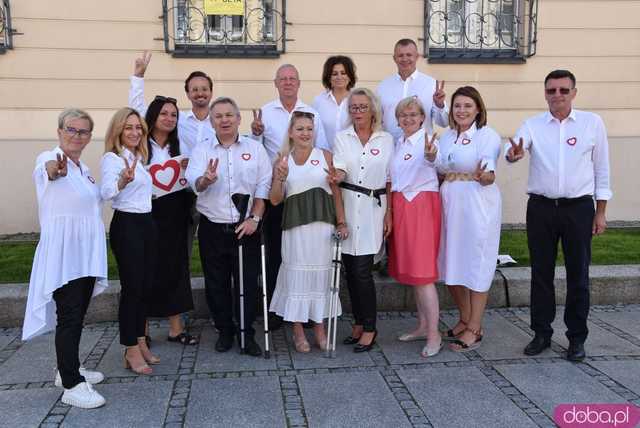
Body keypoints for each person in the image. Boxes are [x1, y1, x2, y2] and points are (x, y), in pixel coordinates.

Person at [506, 70, 612, 362]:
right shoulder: (533, 125)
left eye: (563, 90)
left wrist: (600, 212)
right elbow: (515, 147)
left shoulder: (592, 123)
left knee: (579, 275)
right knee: (541, 274)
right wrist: (512, 154)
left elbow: (602, 169)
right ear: (545, 93)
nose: (557, 95)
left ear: (574, 93)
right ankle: (541, 333)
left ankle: (577, 338)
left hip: (578, 209)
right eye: (551, 90)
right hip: (541, 208)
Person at [22, 108, 107, 409]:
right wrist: (54, 170)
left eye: (83, 131)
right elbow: (48, 171)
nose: (76, 136)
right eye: (71, 129)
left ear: (88, 138)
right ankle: (72, 384)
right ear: (59, 131)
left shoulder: (83, 169)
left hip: (84, 254)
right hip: (64, 255)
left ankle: (67, 367)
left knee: (78, 313)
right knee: (69, 317)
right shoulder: (48, 159)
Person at [186, 97, 272, 357]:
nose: (224, 120)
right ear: (212, 121)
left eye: (229, 115)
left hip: (246, 227)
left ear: (238, 119)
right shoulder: (202, 150)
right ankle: (225, 330)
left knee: (247, 282)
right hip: (213, 227)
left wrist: (254, 219)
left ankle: (247, 333)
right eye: (219, 116)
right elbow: (194, 183)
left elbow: (263, 187)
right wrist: (205, 180)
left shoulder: (255, 149)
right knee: (216, 283)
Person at [251, 64, 329, 329]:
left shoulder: (312, 113)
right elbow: (258, 153)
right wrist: (256, 133)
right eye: (282, 79)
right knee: (278, 254)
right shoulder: (265, 112)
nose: (287, 82)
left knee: (309, 254)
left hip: (307, 193)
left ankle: (307, 312)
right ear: (276, 83)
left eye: (292, 78)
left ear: (299, 82)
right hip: (280, 189)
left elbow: (323, 148)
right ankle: (277, 310)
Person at [268, 111, 347, 352]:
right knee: (297, 279)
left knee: (321, 279)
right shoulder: (283, 160)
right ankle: (298, 330)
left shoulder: (325, 156)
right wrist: (279, 180)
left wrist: (342, 222)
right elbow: (274, 200)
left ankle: (320, 328)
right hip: (295, 230)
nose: (305, 133)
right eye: (300, 129)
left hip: (322, 228)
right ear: (291, 132)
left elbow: (336, 192)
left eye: (309, 129)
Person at [436, 87, 502, 352]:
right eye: (457, 106)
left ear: (478, 109)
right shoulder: (446, 137)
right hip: (450, 203)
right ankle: (464, 318)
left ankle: (475, 327)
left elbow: (489, 168)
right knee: (451, 264)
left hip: (477, 203)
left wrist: (485, 175)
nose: (461, 111)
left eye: (467, 106)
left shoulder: (487, 136)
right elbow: (438, 166)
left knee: (476, 263)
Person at [332, 88, 394, 353]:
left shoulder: (387, 139)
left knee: (362, 272)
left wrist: (389, 213)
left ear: (373, 111)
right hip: (348, 206)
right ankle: (358, 323)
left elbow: (391, 179)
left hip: (373, 210)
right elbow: (340, 168)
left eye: (362, 107)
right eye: (353, 108)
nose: (357, 112)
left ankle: (370, 327)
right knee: (350, 271)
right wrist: (335, 175)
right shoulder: (341, 137)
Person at [101, 107, 160, 375]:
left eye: (138, 127)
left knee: (146, 287)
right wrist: (122, 183)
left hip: (147, 223)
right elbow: (106, 192)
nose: (135, 132)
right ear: (118, 131)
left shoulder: (139, 157)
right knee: (133, 289)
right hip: (128, 226)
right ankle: (129, 348)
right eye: (129, 128)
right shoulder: (113, 160)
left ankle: (139, 340)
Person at [388, 97, 442, 358]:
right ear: (397, 119)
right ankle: (422, 325)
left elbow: (435, 160)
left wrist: (432, 155)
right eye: (403, 115)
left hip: (420, 204)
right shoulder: (398, 143)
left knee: (423, 274)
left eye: (413, 114)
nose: (408, 119)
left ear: (422, 117)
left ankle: (435, 334)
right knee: (412, 273)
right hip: (402, 205)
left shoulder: (427, 142)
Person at [143, 96, 198, 345]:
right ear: (153, 116)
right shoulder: (141, 146)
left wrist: (189, 166)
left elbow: (191, 176)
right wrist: (138, 77)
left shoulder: (181, 144)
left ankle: (176, 328)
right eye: (164, 113)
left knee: (176, 266)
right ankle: (140, 328)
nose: (169, 118)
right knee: (145, 267)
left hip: (176, 209)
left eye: (173, 115)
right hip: (147, 210)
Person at [377, 38, 448, 143]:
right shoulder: (383, 87)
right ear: (394, 58)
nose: (405, 59)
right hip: (391, 148)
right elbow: (377, 121)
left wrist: (440, 105)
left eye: (409, 55)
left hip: (421, 151)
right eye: (400, 55)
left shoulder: (431, 84)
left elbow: (444, 122)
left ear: (417, 57)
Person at [312, 55, 357, 148]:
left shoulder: (357, 100)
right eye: (334, 74)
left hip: (351, 157)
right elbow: (313, 131)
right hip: (324, 157)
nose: (339, 77)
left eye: (343, 73)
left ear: (350, 76)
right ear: (329, 77)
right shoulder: (319, 101)